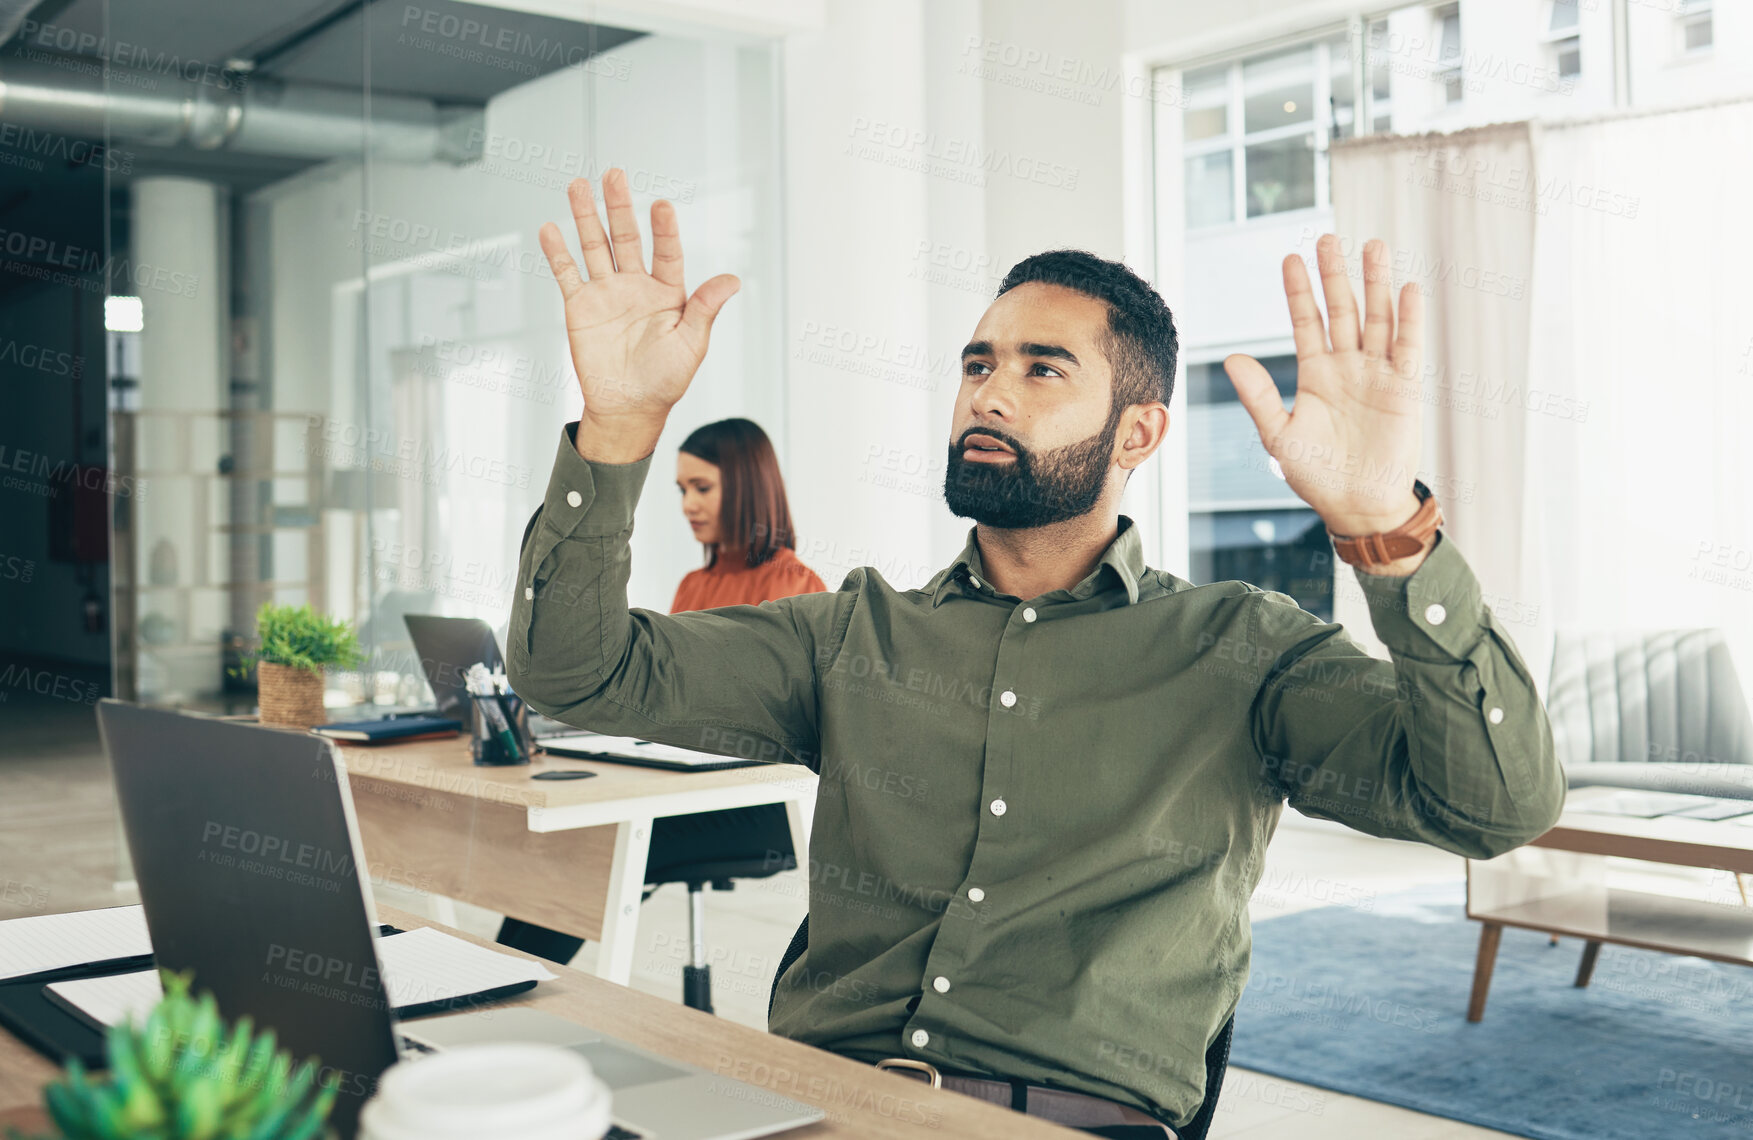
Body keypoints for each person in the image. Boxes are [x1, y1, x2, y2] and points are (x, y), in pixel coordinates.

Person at [507, 169, 1564, 1138]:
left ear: (1137, 434)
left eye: (1040, 369)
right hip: (818, 1105)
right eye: (978, 364)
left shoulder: (1241, 648)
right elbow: (579, 674)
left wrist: (1386, 528)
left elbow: (1492, 805)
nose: (988, 394)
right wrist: (619, 425)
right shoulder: (851, 633)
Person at [497, 416, 824, 972]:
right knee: (578, 834)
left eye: (703, 488)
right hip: (679, 782)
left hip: (758, 806)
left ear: (745, 487)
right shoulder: (693, 586)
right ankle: (504, 973)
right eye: (680, 490)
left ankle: (504, 975)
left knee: (596, 845)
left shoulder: (795, 586)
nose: (688, 505)